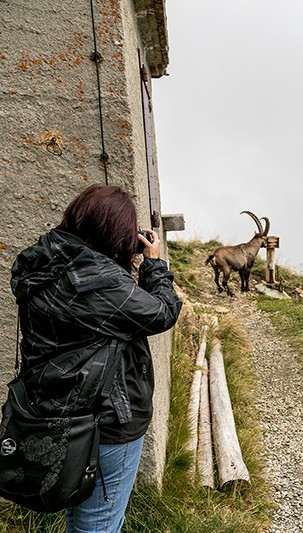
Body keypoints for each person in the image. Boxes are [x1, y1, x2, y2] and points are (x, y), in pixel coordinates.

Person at [10, 184, 183, 532]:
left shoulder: (42, 259)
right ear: (112, 235)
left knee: (79, 513)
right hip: (106, 423)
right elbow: (162, 312)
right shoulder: (98, 282)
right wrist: (153, 265)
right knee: (98, 524)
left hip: (54, 411)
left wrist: (118, 254)